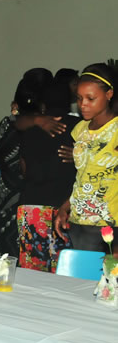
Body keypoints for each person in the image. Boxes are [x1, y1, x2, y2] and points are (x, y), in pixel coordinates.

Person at [17, 78, 80, 271]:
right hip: (64, 209)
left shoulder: (30, 128)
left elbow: (24, 169)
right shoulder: (81, 128)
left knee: (32, 272)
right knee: (64, 272)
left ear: (42, 104)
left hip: (31, 207)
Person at [54, 63, 118, 255]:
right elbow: (82, 178)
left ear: (109, 94)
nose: (83, 104)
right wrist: (65, 207)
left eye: (91, 98)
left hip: (108, 223)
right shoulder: (80, 129)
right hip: (78, 220)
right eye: (79, 98)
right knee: (79, 282)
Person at [0, 77, 42, 258]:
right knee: (22, 260)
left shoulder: (6, 124)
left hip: (5, 197)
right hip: (24, 199)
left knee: (1, 256)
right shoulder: (39, 130)